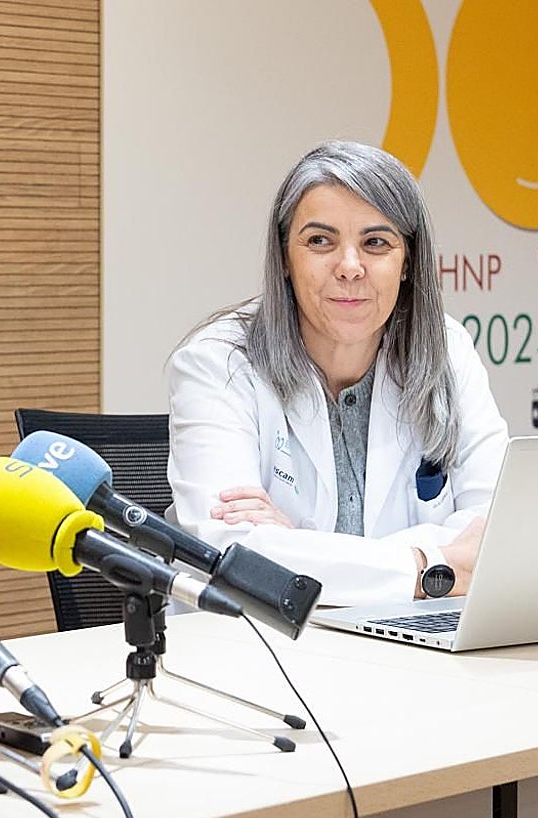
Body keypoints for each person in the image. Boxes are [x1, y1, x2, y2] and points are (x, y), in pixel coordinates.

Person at [166, 140, 509, 606]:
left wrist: (299, 547)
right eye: (320, 241)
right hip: (254, 645)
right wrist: (431, 567)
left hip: (412, 643)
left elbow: (496, 533)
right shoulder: (218, 362)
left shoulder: (447, 350)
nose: (349, 267)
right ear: (286, 259)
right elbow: (237, 557)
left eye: (376, 243)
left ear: (407, 262)